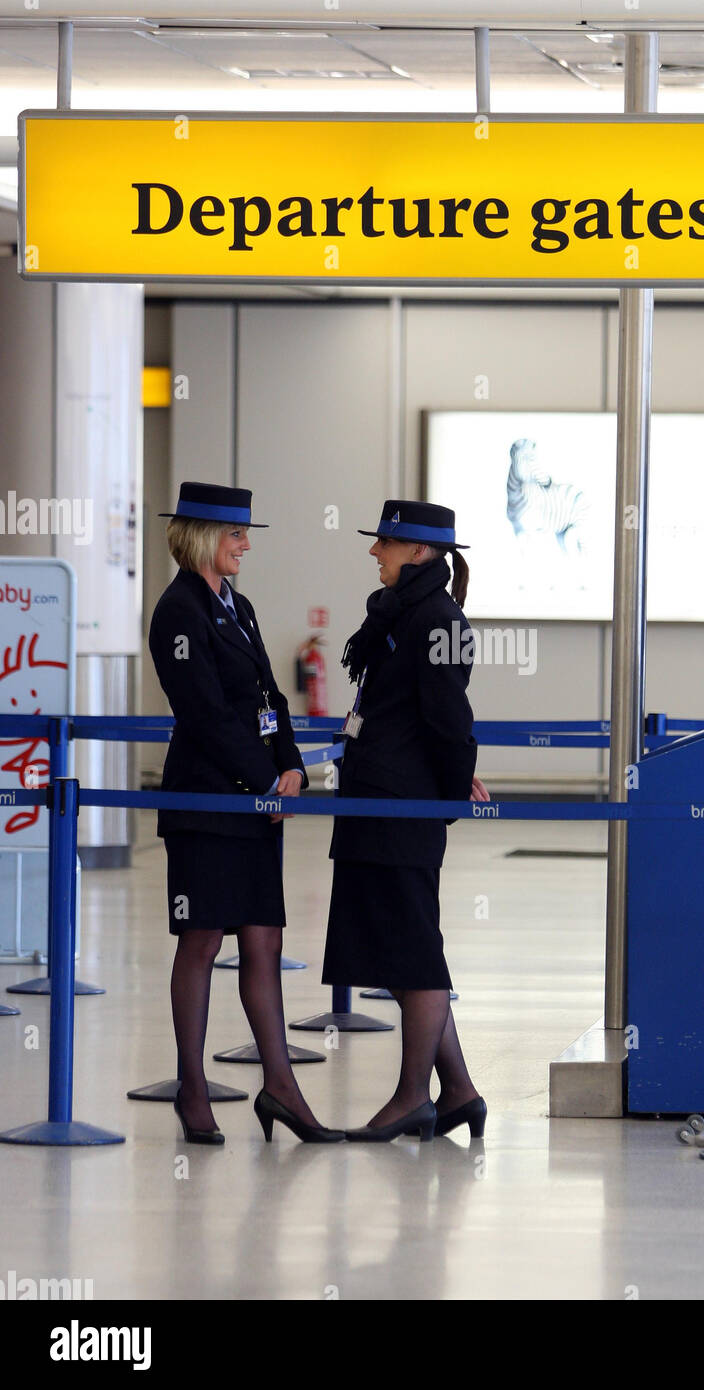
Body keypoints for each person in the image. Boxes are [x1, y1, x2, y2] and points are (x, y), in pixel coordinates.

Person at [149, 481, 343, 1145]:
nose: (246, 545)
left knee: (264, 939)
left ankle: (280, 1086)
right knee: (201, 941)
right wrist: (264, 780)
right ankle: (192, 1086)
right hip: (207, 801)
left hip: (256, 799)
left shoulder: (241, 606)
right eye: (237, 535)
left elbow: (270, 699)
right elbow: (203, 713)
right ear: (205, 537)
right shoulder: (178, 612)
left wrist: (290, 770)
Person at [323, 500, 488, 1142]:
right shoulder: (396, 612)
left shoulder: (439, 619)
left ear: (420, 552)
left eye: (385, 543)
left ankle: (412, 1097)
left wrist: (449, 790)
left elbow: (449, 717)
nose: (375, 553)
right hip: (373, 796)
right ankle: (460, 1093)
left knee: (413, 950)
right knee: (396, 947)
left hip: (402, 805)